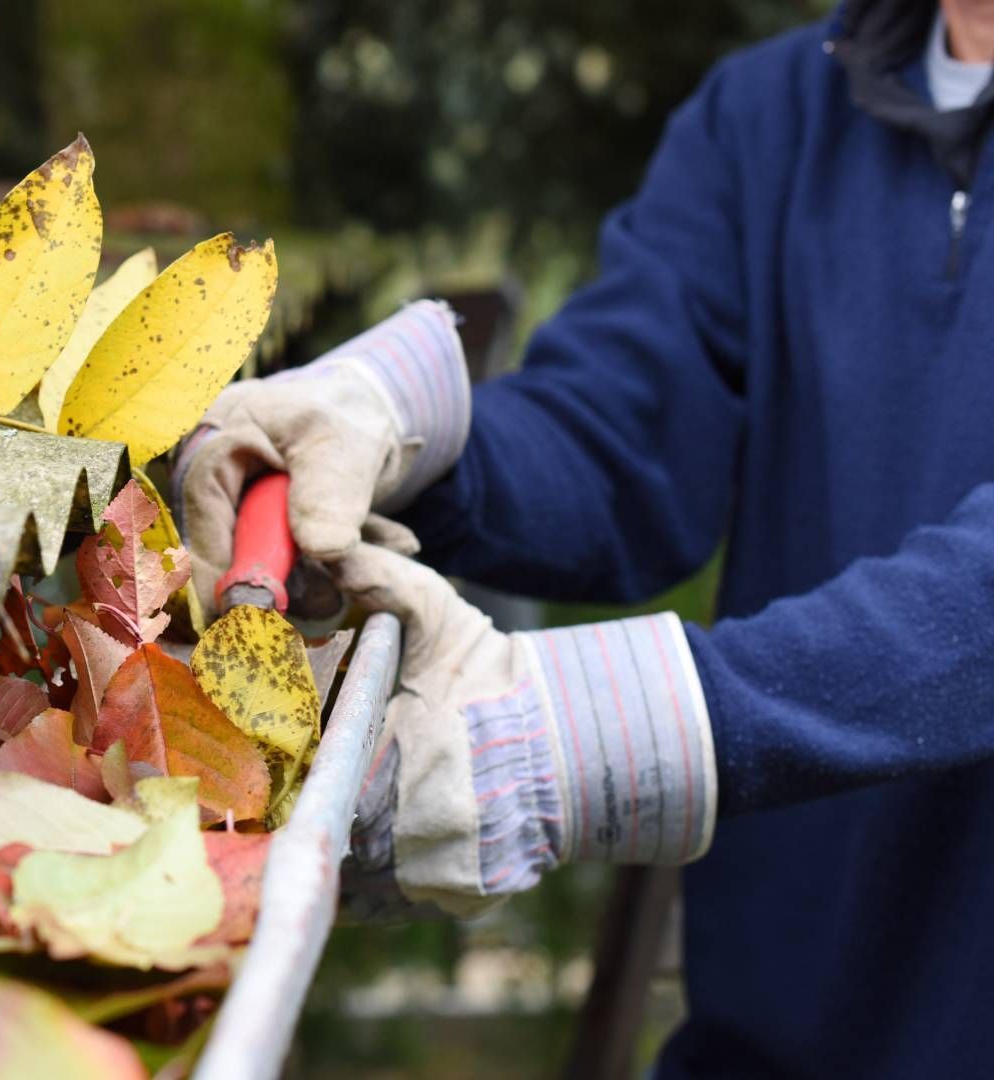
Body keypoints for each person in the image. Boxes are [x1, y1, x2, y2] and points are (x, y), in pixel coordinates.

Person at [177, 0, 994, 1074]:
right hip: (775, 1036)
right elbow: (625, 430)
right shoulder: (775, 114)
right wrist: (409, 429)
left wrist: (577, 734)